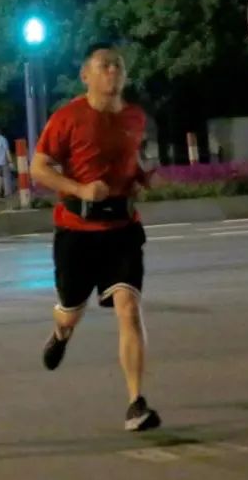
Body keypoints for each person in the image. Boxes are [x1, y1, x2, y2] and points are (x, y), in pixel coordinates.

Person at [31, 42, 161, 432]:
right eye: (104, 65)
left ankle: (136, 403)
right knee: (71, 310)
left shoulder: (137, 118)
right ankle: (60, 333)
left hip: (122, 229)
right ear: (85, 75)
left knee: (129, 308)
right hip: (77, 233)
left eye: (118, 65)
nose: (113, 71)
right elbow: (39, 167)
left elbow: (142, 163)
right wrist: (80, 190)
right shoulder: (67, 118)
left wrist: (144, 179)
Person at [0, 127, 14, 198]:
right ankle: (7, 193)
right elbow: (7, 151)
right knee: (6, 178)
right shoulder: (3, 140)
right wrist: (10, 162)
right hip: (4, 162)